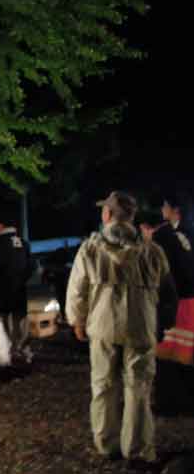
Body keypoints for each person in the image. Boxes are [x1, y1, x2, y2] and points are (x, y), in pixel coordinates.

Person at [66, 191, 177, 466]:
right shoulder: (152, 251)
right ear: (132, 217)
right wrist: (162, 324)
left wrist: (77, 320)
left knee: (103, 385)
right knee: (138, 388)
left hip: (102, 326)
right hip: (141, 326)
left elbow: (77, 290)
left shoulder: (90, 249)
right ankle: (137, 449)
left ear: (107, 215)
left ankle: (106, 444)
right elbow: (169, 294)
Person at [141, 211, 194, 416]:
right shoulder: (180, 236)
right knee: (185, 358)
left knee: (166, 360)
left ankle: (168, 403)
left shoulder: (158, 243)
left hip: (173, 305)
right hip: (187, 303)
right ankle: (185, 401)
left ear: (148, 228)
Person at [0, 217, 34, 368]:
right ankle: (23, 353)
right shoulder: (24, 243)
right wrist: (21, 280)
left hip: (0, 291)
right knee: (20, 323)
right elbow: (32, 265)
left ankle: (4, 357)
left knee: (0, 324)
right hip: (19, 291)